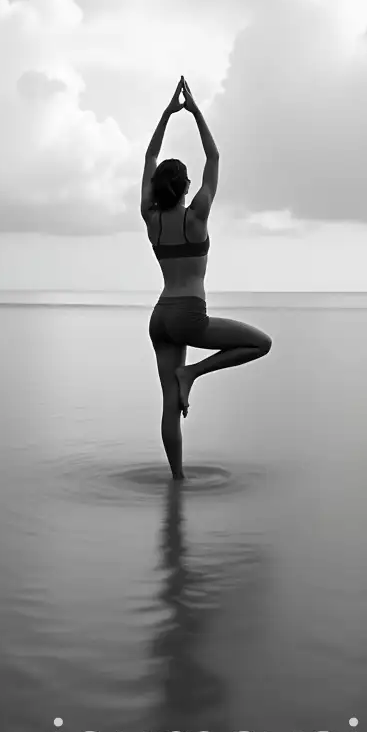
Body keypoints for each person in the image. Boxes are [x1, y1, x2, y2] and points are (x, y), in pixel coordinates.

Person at [141, 75, 272, 480]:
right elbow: (214, 160)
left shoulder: (151, 218)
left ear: (158, 190)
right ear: (186, 188)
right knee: (260, 343)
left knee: (167, 405)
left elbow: (148, 159)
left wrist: (165, 115)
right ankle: (193, 373)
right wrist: (196, 112)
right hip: (188, 316)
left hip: (160, 317)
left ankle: (177, 482)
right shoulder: (196, 217)